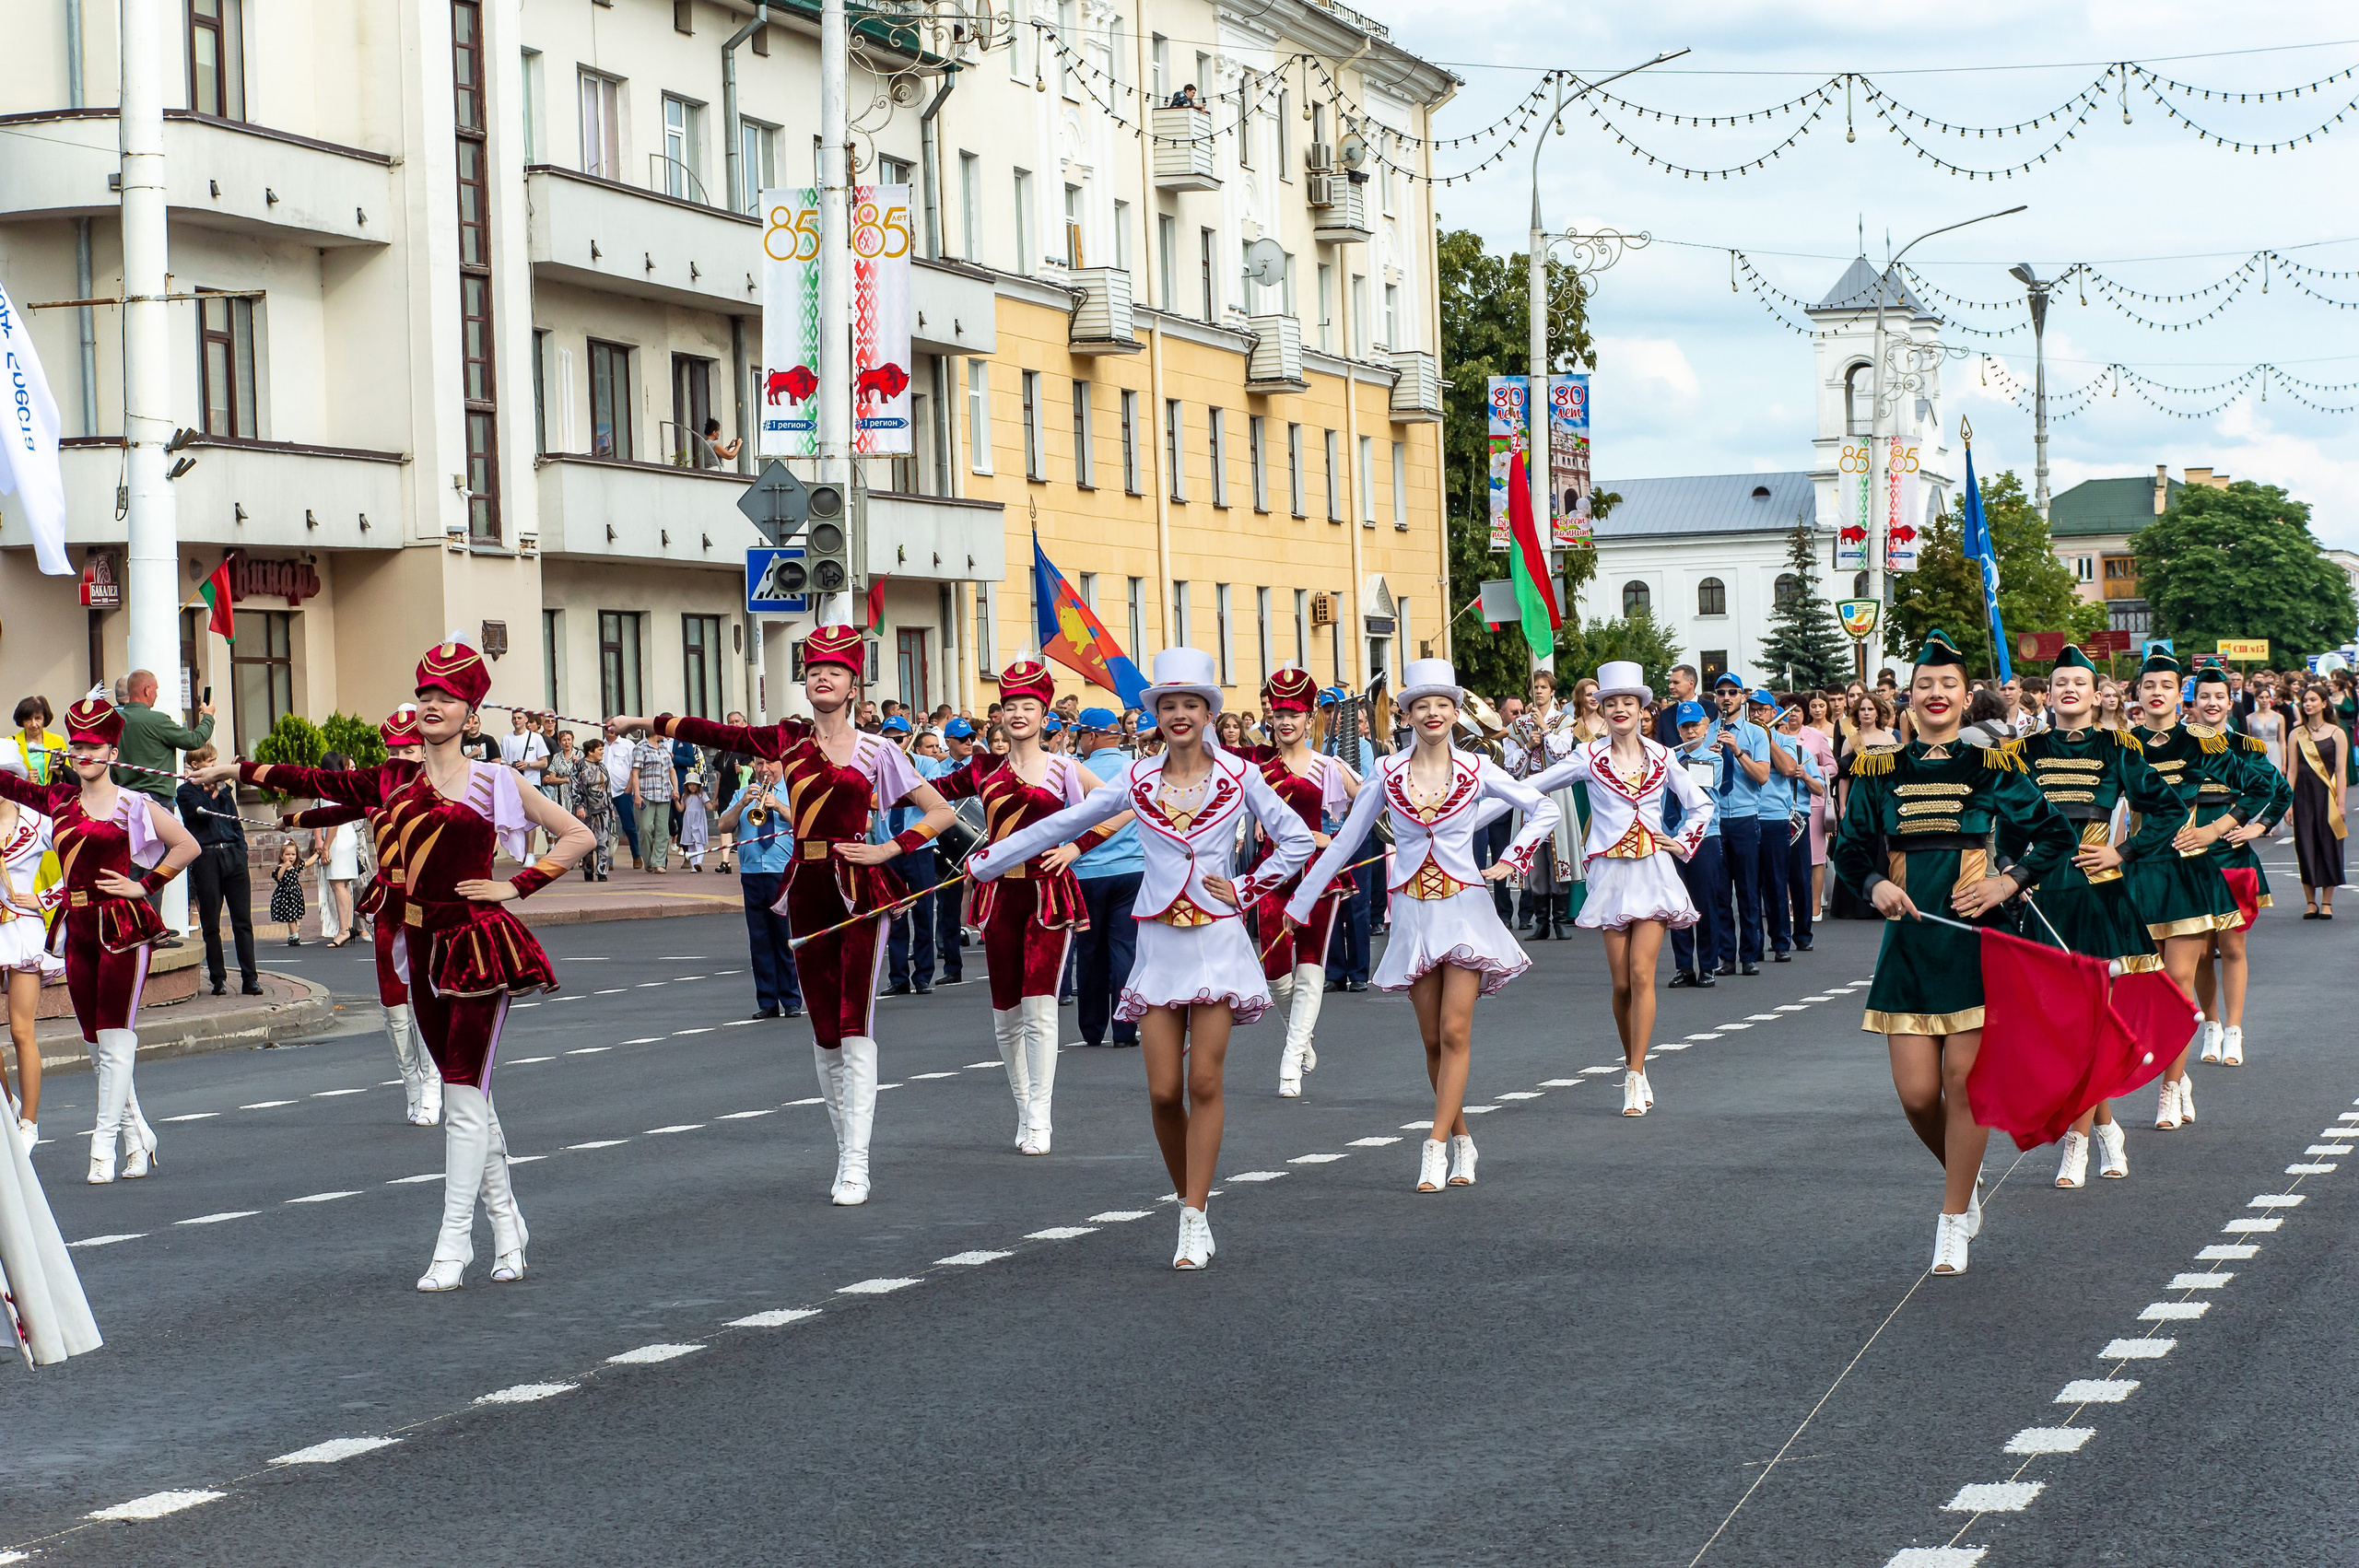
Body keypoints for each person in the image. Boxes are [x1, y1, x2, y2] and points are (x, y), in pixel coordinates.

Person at [204, 638, 591, 1288]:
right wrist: (237, 768)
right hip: (420, 948)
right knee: (472, 1098)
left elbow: (578, 834)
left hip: (475, 948)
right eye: (426, 694)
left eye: (448, 697)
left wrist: (515, 886)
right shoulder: (392, 781)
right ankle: (508, 1226)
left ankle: (452, 1246)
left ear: (472, 713)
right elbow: (316, 781)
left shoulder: (497, 781)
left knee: (463, 1095)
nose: (433, 705)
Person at [968, 648, 1313, 1268]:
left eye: (1191, 704)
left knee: (1203, 1081)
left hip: (1217, 943)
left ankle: (1193, 1216)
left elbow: (1293, 839)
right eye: (1169, 705)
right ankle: (1186, 1196)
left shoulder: (1240, 775)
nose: (1180, 714)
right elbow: (1062, 825)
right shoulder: (1137, 778)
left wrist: (1245, 887)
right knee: (1162, 1092)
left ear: (1208, 713)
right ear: (1156, 714)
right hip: (1158, 945)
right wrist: (990, 860)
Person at [607, 622, 955, 1207]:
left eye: (836, 671)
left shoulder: (879, 750)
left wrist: (889, 849)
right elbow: (714, 731)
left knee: (855, 1024)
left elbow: (940, 811)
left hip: (859, 889)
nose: (823, 678)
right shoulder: (787, 740)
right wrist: (643, 722)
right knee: (823, 1032)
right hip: (806, 887)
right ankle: (844, 1147)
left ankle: (856, 1162)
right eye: (815, 670)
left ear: (853, 685)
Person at [1829, 629, 2074, 1275]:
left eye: (1948, 685)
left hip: (1975, 946)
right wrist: (1875, 884)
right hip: (1908, 947)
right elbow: (1849, 850)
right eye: (1924, 685)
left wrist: (2007, 881)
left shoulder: (1992, 766)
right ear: (1907, 698)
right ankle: (1963, 1180)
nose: (1935, 694)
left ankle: (1951, 1219)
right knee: (1917, 1095)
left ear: (1967, 698)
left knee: (1964, 1085)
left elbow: (2055, 835)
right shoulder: (1881, 769)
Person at [1289, 659, 1557, 1194]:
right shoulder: (1386, 773)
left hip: (1465, 911)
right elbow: (1345, 841)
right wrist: (1300, 901)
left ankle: (1432, 1145)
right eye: (1421, 705)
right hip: (1413, 916)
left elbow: (1543, 808)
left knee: (1455, 1030)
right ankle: (1462, 1138)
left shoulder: (1478, 769)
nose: (1433, 713)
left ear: (1456, 713)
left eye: (1442, 705)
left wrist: (1512, 858)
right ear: (1407, 714)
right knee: (1433, 1039)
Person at [0, 696, 200, 1186]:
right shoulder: (59, 801)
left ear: (113, 752)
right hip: (78, 931)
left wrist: (145, 884)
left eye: (93, 746)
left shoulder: (134, 804)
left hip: (123, 930)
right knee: (96, 1045)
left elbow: (187, 845)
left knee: (114, 1038)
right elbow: (7, 783)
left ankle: (102, 1147)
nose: (83, 754)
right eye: (77, 745)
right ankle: (138, 1136)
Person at [933, 660, 1130, 1151]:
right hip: (999, 897)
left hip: (1047, 896)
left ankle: (1041, 1116)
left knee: (1040, 1006)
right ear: (1000, 715)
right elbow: (926, 796)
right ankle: (1023, 1108)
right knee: (1006, 1012)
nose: (1019, 714)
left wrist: (1077, 847)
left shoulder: (1065, 768)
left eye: (1029, 706)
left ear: (1045, 715)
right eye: (1011, 706)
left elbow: (1125, 806)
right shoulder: (983, 769)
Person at [2013, 647, 2181, 1187]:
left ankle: (2077, 1143)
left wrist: (2122, 852)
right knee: (2058, 1029)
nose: (2069, 690)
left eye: (2079, 683)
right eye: (2060, 682)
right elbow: (2007, 824)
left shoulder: (2118, 748)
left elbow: (2169, 810)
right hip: (2043, 896)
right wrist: (2012, 871)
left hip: (2097, 896)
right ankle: (2106, 1127)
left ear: (2094, 694)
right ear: (2047, 694)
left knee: (2084, 1026)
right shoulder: (2022, 752)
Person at [1526, 662, 1716, 1116]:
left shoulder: (1662, 756)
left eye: (1628, 702)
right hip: (1611, 875)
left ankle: (1634, 1072)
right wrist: (1472, 801)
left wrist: (1682, 840)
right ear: (1602, 708)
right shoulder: (1587, 757)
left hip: (1653, 871)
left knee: (1643, 974)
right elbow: (1532, 786)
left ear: (1641, 708)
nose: (1620, 710)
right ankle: (1634, 1062)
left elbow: (1700, 804)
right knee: (1622, 983)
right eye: (1611, 703)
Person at [2125, 651, 2274, 1129]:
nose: (2157, 693)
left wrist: (2216, 829)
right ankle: (2181, 1074)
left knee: (2178, 982)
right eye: (2149, 685)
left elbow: (2263, 786)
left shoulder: (2202, 743)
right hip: (2138, 873)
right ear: (2138, 693)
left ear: (2178, 694)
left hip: (2189, 872)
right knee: (2144, 987)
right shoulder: (2122, 744)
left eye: (2167, 685)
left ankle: (2170, 1088)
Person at [275, 707, 440, 1125]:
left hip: (427, 904)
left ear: (423, 751)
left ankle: (433, 1088)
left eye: (406, 749)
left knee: (426, 996)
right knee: (392, 1000)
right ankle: (412, 1085)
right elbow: (335, 811)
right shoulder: (377, 789)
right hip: (388, 904)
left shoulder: (441, 787)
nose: (398, 757)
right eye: (392, 750)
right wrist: (291, 820)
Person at [1237, 667, 1360, 1097]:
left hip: (1318, 875)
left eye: (1295, 714)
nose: (1286, 722)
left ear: (1310, 718)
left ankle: (1290, 1062)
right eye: (1280, 714)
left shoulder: (1329, 767)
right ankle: (1301, 1038)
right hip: (1272, 872)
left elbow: (1375, 807)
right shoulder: (1255, 764)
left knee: (1310, 964)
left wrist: (1332, 839)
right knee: (1274, 971)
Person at [2186, 663, 2291, 1072]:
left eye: (2219, 696)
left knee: (2231, 948)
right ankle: (2210, 1025)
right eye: (2204, 697)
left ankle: (2234, 1029)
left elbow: (2281, 790)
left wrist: (2258, 827)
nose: (2212, 703)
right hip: (2190, 859)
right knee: (2199, 952)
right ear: (2193, 703)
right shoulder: (2180, 745)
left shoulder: (2245, 747)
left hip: (2231, 857)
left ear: (2230, 702)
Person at [1069, 708, 1142, 1047]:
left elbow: (1063, 824)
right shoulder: (1135, 770)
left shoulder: (1074, 771)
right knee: (1126, 948)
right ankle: (1125, 1028)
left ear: (1091, 737)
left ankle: (1092, 1028)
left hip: (1086, 871)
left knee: (1090, 950)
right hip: (1132, 869)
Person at [0, 782, 65, 1143]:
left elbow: (79, 863)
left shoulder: (38, 820)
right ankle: (8, 1103)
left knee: (21, 1030)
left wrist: (44, 898)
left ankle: (29, 1125)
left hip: (23, 932)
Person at [718, 757, 803, 1020]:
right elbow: (723, 826)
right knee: (759, 939)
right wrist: (742, 803)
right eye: (759, 764)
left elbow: (805, 824)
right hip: (752, 873)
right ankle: (767, 1001)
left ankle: (791, 999)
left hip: (783, 872)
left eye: (769, 763)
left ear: (781, 764)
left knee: (784, 937)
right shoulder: (742, 793)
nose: (764, 769)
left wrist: (779, 806)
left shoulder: (794, 791)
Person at [175, 743, 258, 997]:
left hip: (233, 854)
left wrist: (242, 850)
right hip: (207, 857)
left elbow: (235, 822)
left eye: (215, 760)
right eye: (209, 761)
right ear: (195, 765)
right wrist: (217, 787)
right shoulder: (185, 791)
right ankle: (218, 979)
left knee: (242, 921)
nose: (214, 765)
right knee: (211, 922)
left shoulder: (224, 791)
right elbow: (202, 813)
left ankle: (250, 979)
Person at [1708, 673, 1772, 973]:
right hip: (1715, 820)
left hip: (1746, 818)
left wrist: (1737, 751)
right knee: (1720, 893)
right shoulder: (1706, 731)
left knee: (1748, 891)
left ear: (1742, 697)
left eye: (1733, 692)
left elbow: (1762, 776)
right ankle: (1726, 958)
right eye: (1721, 692)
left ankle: (1749, 956)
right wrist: (1707, 760)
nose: (1727, 697)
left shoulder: (1756, 733)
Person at [1665, 701, 1728, 989]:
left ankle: (1708, 965)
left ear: (1705, 727)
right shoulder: (1670, 760)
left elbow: (1699, 787)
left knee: (1704, 904)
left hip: (1704, 837)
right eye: (1685, 727)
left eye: (1695, 726)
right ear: (1678, 730)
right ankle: (1683, 967)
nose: (1690, 732)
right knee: (1677, 905)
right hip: (1672, 839)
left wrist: (1670, 766)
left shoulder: (1713, 758)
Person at [1776, 704, 1829, 948]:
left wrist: (1805, 775)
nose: (1779, 731)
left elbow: (1819, 789)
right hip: (1769, 819)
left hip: (1797, 821)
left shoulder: (1801, 752)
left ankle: (1803, 934)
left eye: (1782, 726)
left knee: (1800, 879)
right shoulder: (1759, 752)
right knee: (1773, 881)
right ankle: (1779, 935)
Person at [2293, 684, 2345, 917]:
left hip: (2328, 797)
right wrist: (2287, 803)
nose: (2308, 704)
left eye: (2313, 700)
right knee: (2305, 845)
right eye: (2305, 700)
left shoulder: (2337, 733)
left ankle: (2326, 903)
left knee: (2329, 845)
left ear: (2324, 703)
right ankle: (2310, 902)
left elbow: (2341, 771)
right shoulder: (2296, 734)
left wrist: (2341, 804)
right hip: (2302, 796)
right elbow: (2292, 771)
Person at [314, 753, 362, 946]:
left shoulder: (330, 789)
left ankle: (343, 929)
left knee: (338, 885)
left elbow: (332, 820)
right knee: (343, 885)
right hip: (346, 837)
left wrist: (326, 847)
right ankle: (346, 927)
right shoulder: (340, 787)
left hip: (338, 839)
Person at [633, 728, 677, 872]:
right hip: (646, 794)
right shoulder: (640, 747)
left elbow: (671, 770)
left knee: (662, 831)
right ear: (654, 732)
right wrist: (637, 794)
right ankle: (648, 860)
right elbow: (635, 773)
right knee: (645, 828)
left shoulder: (663, 747)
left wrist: (675, 788)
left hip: (664, 794)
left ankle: (659, 863)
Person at [573, 738, 616, 881]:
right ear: (591, 752)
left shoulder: (602, 766)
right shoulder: (579, 766)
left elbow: (608, 788)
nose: (603, 752)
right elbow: (574, 788)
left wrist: (611, 807)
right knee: (588, 841)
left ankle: (602, 871)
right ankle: (588, 869)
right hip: (586, 810)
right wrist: (579, 805)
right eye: (600, 750)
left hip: (603, 809)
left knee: (603, 840)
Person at [603, 726, 641, 869]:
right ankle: (608, 859)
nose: (610, 731)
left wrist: (629, 789)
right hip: (604, 793)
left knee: (628, 826)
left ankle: (636, 855)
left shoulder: (628, 745)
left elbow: (634, 769)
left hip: (622, 792)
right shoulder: (600, 746)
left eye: (613, 727)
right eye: (607, 728)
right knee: (605, 827)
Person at [8, 696, 65, 786]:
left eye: (38, 718)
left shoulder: (57, 740)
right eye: (28, 719)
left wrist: (59, 773)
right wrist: (23, 780)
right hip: (23, 793)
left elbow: (69, 776)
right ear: (22, 721)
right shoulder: (11, 742)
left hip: (50, 792)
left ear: (44, 719)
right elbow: (5, 778)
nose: (34, 724)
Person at [267, 838, 314, 946]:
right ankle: (294, 936)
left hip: (295, 894)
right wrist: (284, 866)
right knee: (290, 916)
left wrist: (317, 854)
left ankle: (293, 933)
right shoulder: (280, 867)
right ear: (282, 856)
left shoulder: (296, 866)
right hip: (285, 895)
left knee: (294, 915)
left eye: (293, 854)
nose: (290, 857)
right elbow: (279, 877)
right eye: (287, 854)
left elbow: (308, 863)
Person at [677, 772, 712, 871]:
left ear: (698, 785)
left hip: (699, 821)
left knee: (698, 842)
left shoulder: (702, 795)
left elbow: (709, 806)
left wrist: (714, 806)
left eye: (694, 784)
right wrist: (676, 801)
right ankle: (693, 867)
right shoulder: (685, 796)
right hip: (688, 822)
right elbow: (681, 809)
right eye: (690, 785)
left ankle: (698, 862)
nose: (692, 787)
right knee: (690, 845)